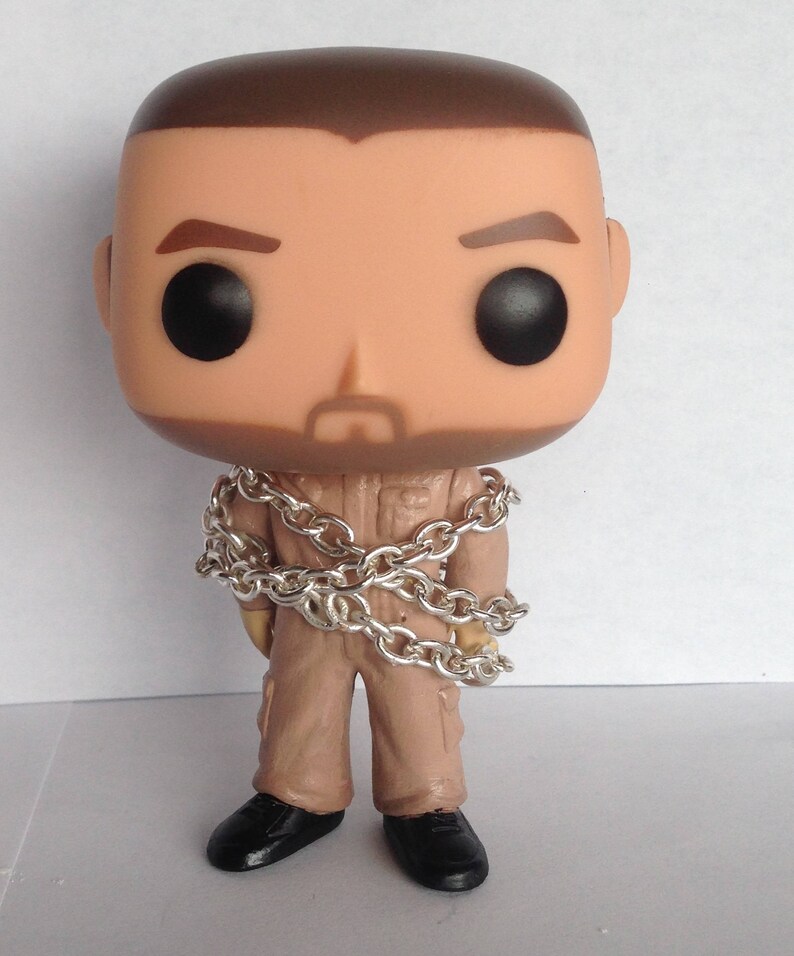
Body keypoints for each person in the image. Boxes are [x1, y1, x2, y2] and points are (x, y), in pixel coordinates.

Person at [93, 47, 630, 891]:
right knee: (298, 707)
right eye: (212, 301)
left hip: (414, 613)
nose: (359, 382)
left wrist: (476, 614)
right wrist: (255, 599)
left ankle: (426, 804)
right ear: (113, 285)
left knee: (419, 708)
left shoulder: (457, 486)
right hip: (308, 609)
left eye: (513, 302)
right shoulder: (266, 481)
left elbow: (477, 544)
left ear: (609, 274)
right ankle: (296, 796)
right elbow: (245, 535)